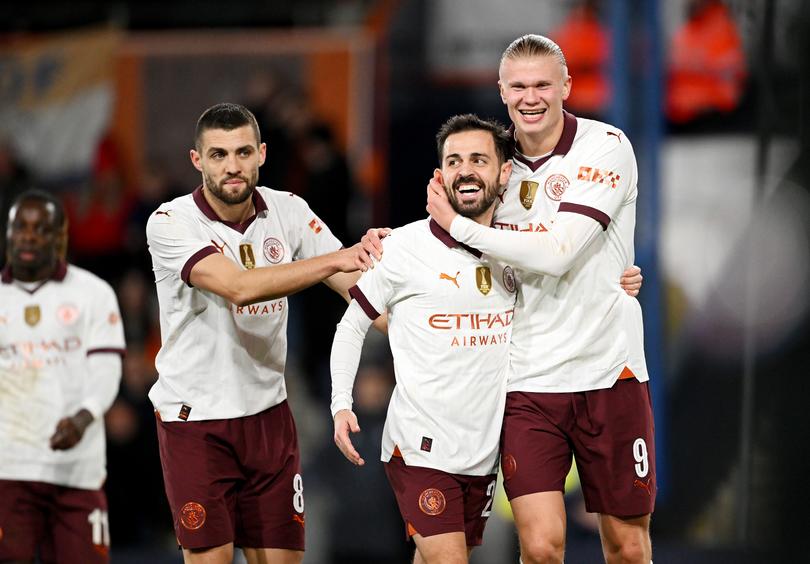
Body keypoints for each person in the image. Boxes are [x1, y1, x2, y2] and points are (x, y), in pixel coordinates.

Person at [425, 35, 655, 564]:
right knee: (542, 545)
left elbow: (559, 252)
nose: (532, 97)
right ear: (501, 91)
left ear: (566, 87)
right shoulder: (489, 164)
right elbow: (441, 245)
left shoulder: (605, 146)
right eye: (519, 86)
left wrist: (462, 225)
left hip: (610, 372)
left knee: (626, 545)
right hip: (526, 382)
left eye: (543, 84)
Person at [145, 102, 373, 564]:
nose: (232, 166)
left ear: (263, 154)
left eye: (243, 152)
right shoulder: (170, 222)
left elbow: (360, 289)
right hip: (197, 423)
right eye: (218, 154)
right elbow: (239, 287)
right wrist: (336, 257)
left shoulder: (289, 210)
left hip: (269, 417)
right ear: (197, 160)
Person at [332, 114, 518, 564]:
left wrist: (619, 279)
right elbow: (352, 324)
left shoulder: (519, 250)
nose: (465, 169)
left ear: (504, 172)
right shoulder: (402, 248)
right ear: (440, 175)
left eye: (478, 159)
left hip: (481, 449)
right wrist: (341, 402)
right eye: (454, 161)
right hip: (419, 444)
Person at [0, 190, 125, 563]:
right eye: (20, 227)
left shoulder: (93, 293)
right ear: (8, 232)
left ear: (60, 237)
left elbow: (106, 369)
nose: (28, 236)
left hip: (77, 472)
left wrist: (84, 417)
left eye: (41, 229)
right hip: (8, 468)